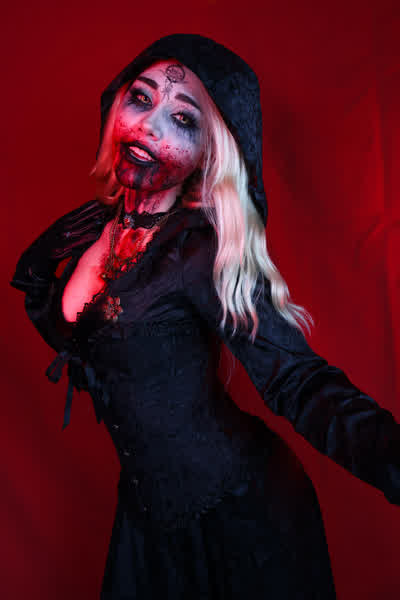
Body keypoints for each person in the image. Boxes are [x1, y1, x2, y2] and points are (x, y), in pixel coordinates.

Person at [10, 33, 400, 599]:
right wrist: (41, 281)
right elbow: (85, 337)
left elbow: (297, 380)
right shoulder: (91, 230)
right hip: (145, 517)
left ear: (208, 155)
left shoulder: (200, 253)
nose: (149, 126)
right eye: (141, 98)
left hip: (239, 519)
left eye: (183, 119)